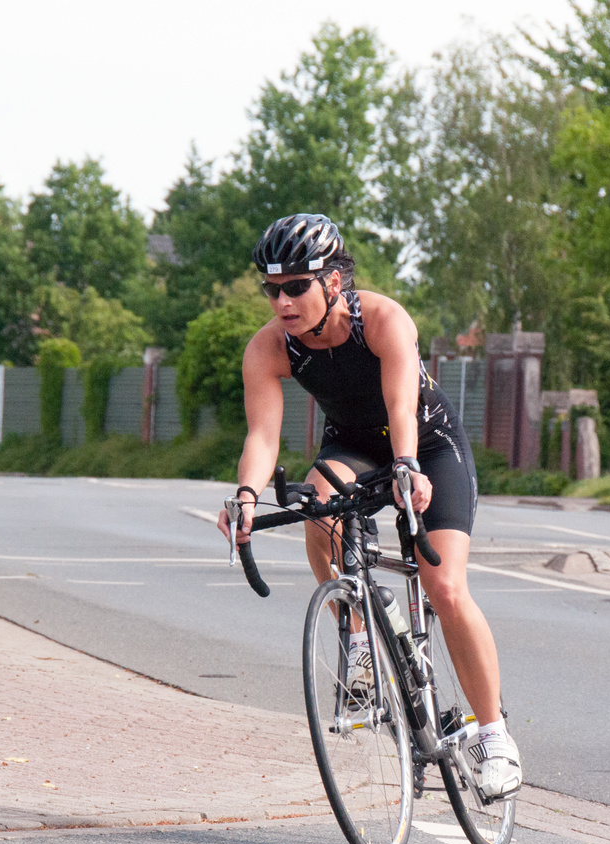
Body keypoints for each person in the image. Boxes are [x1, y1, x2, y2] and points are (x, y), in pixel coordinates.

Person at [217, 213, 522, 800]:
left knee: (444, 585)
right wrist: (247, 496)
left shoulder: (382, 319)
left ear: (333, 282)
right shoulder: (269, 348)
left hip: (427, 448)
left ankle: (494, 735)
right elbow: (262, 436)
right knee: (316, 502)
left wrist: (407, 465)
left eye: (296, 286)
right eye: (271, 289)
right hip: (354, 448)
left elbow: (401, 407)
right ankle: (358, 639)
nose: (281, 301)